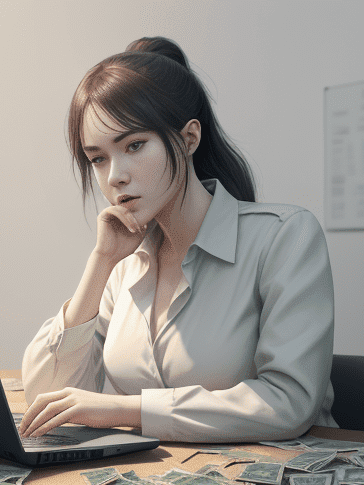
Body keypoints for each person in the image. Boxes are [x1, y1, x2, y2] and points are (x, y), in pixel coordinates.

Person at [19, 36, 338, 443]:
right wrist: (101, 262)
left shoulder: (285, 238)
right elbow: (45, 397)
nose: (114, 175)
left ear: (189, 139)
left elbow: (289, 402)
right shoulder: (123, 267)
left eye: (134, 145)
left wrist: (126, 409)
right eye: (98, 158)